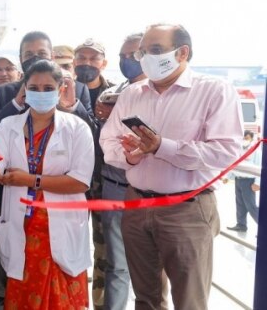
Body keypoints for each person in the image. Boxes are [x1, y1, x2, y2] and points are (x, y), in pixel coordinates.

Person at [100, 23, 243, 310]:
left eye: (155, 50)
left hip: (186, 210)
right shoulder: (132, 94)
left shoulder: (214, 91)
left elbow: (225, 152)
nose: (145, 58)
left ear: (182, 53)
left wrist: (162, 147)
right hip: (137, 203)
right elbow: (109, 142)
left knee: (189, 300)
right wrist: (131, 155)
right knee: (145, 299)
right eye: (143, 51)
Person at [0, 31, 95, 310]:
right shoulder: (8, 126)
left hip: (60, 225)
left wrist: (30, 179)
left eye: (48, 89)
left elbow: (80, 182)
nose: (41, 94)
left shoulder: (77, 128)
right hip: (23, 225)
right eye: (35, 88)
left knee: (62, 299)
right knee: (23, 294)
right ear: (25, 89)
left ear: (60, 90)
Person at [95, 32, 168, 310]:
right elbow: (107, 141)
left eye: (134, 55)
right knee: (117, 265)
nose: (129, 61)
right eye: (123, 56)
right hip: (116, 186)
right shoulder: (117, 91)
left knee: (153, 270)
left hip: (156, 194)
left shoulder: (161, 91)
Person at [73, 38, 115, 310]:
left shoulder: (115, 93)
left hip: (105, 179)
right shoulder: (64, 88)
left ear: (103, 63)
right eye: (82, 58)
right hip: (71, 181)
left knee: (105, 250)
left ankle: (100, 304)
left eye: (93, 58)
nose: (87, 63)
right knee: (70, 243)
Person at [227, 130, 261, 232]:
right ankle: (241, 225)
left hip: (249, 181)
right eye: (243, 138)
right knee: (240, 204)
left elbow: (260, 168)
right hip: (238, 180)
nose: (244, 140)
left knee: (251, 206)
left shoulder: (255, 151)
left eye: (247, 138)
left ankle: (263, 227)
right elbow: (234, 165)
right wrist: (228, 177)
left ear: (251, 139)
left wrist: (258, 183)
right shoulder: (238, 150)